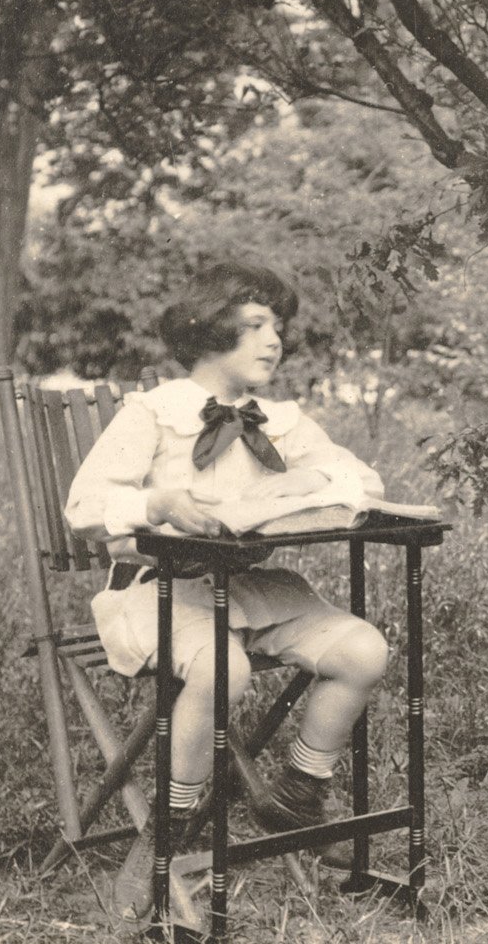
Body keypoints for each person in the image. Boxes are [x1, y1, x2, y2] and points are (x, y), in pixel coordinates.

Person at [65, 261, 391, 920]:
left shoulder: (281, 419)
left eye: (278, 328)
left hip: (247, 587)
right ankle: (169, 830)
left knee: (363, 649)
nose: (275, 341)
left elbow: (364, 480)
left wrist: (308, 482)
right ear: (211, 331)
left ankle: (298, 793)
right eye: (256, 326)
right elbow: (83, 507)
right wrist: (159, 503)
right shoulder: (153, 414)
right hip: (159, 590)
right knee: (223, 667)